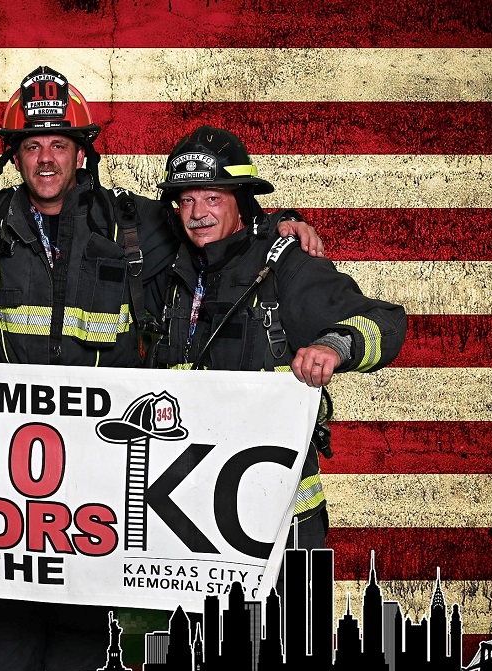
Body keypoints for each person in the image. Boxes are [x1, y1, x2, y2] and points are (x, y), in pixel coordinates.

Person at [0, 67, 323, 671]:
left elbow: (211, 219)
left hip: (94, 492)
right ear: (14, 156)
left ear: (82, 152)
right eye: (31, 145)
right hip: (8, 494)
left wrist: (278, 223)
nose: (45, 158)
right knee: (1, 656)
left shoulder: (132, 224)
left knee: (77, 658)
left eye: (59, 144)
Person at [148, 126, 408, 553]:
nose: (198, 212)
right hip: (185, 514)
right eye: (188, 199)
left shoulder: (283, 265)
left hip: (281, 522)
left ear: (241, 200)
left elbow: (385, 321)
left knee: (287, 623)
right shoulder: (172, 270)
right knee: (207, 624)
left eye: (213, 197)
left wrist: (335, 347)